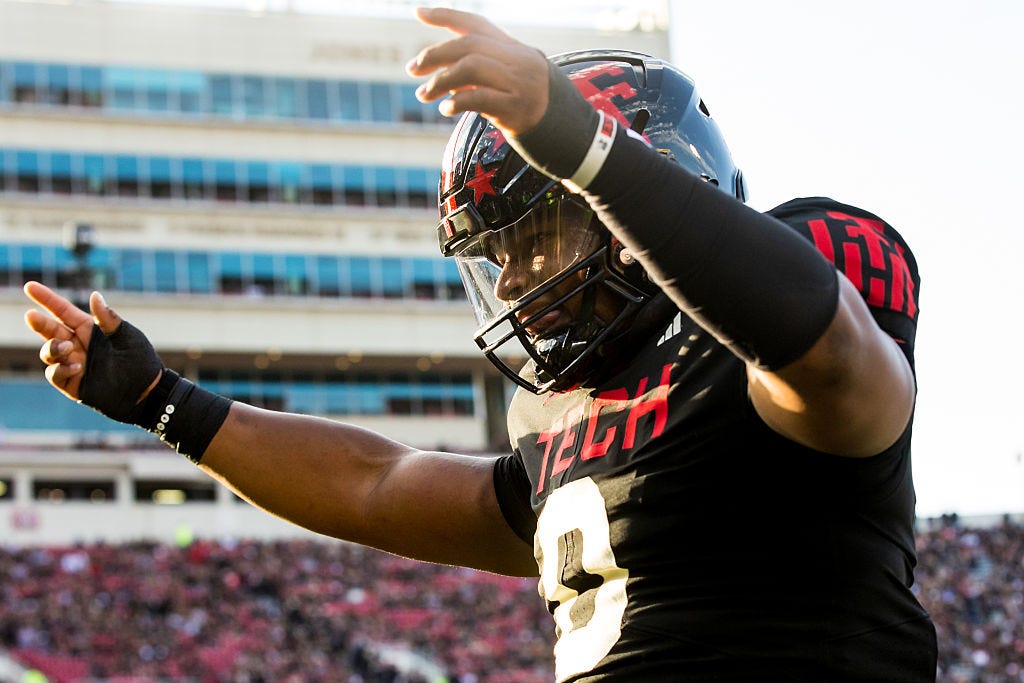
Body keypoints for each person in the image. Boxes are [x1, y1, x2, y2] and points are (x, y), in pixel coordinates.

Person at [23, 7, 937, 682]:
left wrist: (577, 143)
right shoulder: (570, 422)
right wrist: (163, 403)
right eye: (494, 257)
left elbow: (825, 348)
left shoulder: (790, 327)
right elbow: (376, 484)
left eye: (528, 240)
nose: (508, 283)